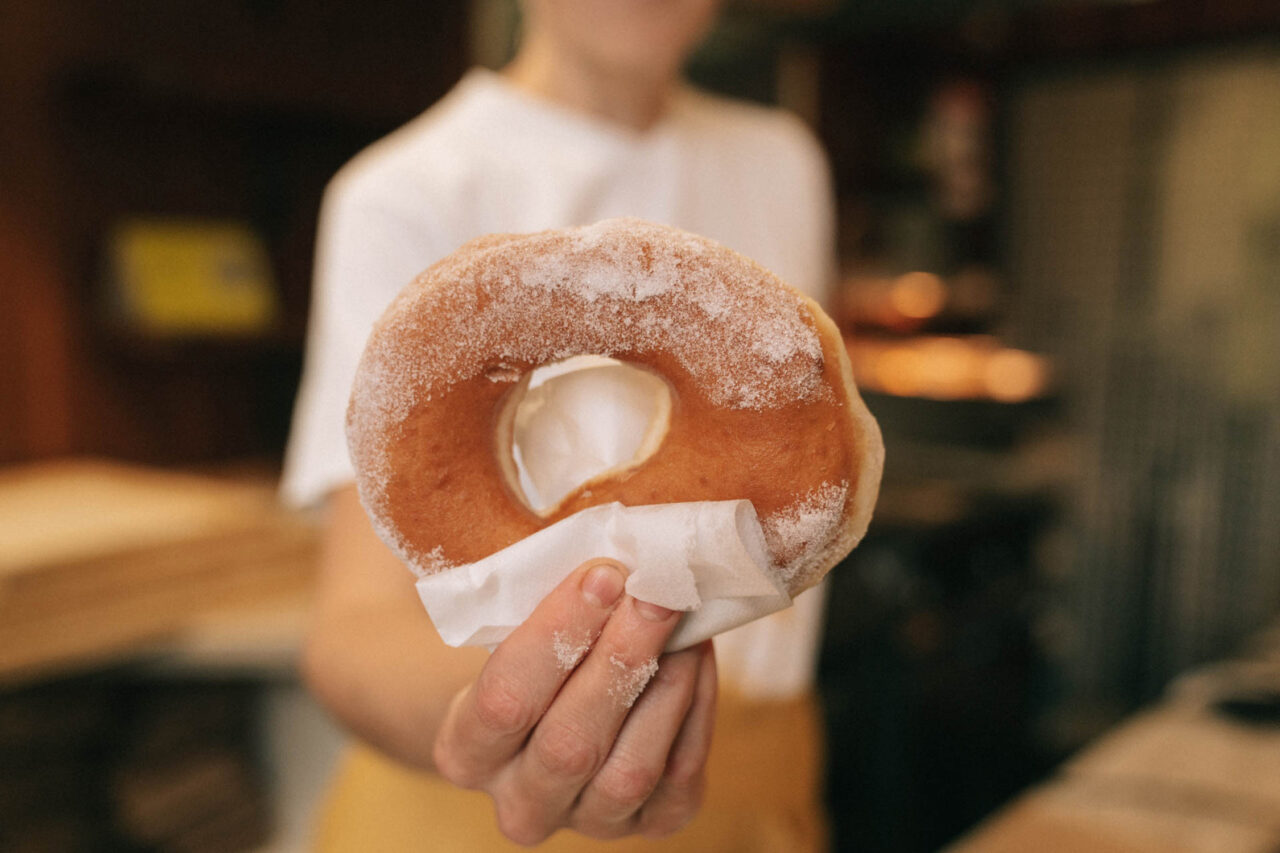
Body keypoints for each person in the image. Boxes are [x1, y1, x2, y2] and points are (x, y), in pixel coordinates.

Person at [282, 0, 837, 848]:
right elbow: (354, 628)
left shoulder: (781, 161)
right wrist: (513, 724)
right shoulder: (405, 191)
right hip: (472, 812)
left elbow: (808, 451)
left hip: (752, 791)